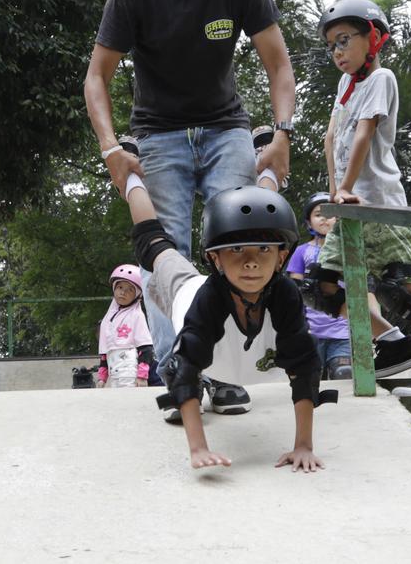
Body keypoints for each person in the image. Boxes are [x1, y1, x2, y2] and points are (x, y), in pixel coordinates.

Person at [82, 0, 297, 393]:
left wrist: (283, 133)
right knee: (163, 251)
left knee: (234, 240)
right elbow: (97, 77)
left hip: (227, 129)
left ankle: (225, 370)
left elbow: (279, 64)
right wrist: (112, 147)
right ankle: (177, 369)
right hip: (158, 135)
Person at [301, 0, 411, 397]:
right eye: (331, 46)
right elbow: (331, 137)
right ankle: (394, 344)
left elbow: (363, 133)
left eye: (343, 40)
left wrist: (347, 188)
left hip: (381, 202)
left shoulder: (381, 78)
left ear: (372, 37)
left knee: (402, 282)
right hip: (351, 206)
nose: (337, 52)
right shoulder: (345, 84)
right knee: (323, 285)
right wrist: (336, 191)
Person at [122, 170, 330, 471]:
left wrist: (303, 446)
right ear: (215, 258)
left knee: (261, 210)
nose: (250, 262)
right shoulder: (206, 299)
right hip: (185, 289)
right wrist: (198, 448)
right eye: (235, 249)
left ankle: (269, 167)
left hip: (233, 346)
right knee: (152, 243)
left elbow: (305, 369)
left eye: (263, 250)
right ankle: (131, 178)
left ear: (282, 258)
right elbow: (185, 370)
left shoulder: (285, 294)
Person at [288, 192, 353, 379]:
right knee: (310, 378)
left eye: (329, 214)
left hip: (342, 330)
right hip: (311, 331)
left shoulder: (349, 250)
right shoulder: (301, 252)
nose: (324, 218)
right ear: (309, 223)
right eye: (318, 214)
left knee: (343, 374)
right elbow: (295, 291)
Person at [96, 264, 155, 388]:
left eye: (130, 290)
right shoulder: (108, 318)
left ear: (137, 294)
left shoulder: (136, 315)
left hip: (130, 371)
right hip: (114, 370)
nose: (123, 292)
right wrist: (102, 377)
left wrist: (142, 375)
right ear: (114, 288)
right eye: (120, 287)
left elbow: (146, 348)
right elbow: (105, 352)